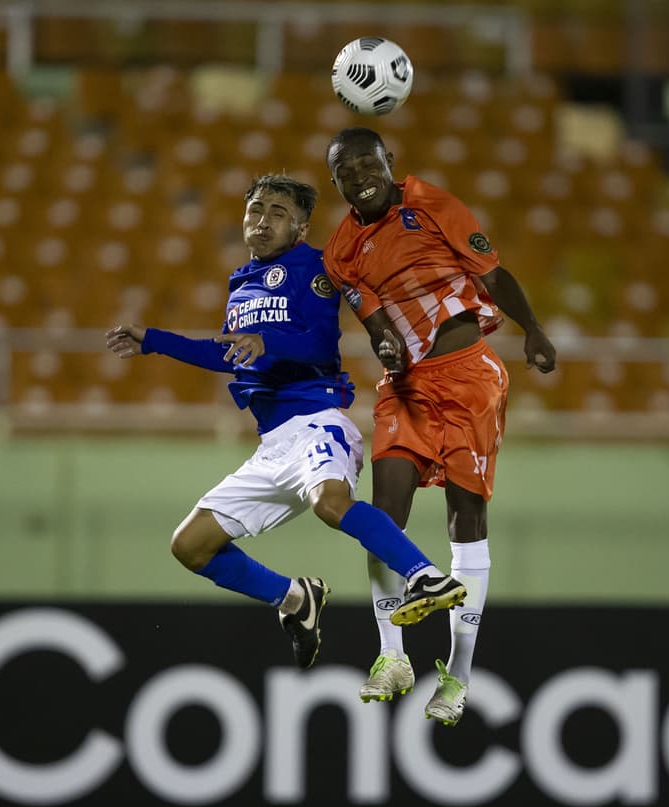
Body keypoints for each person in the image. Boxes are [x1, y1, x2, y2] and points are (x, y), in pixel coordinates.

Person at [106, 173, 456, 671]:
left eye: (277, 212)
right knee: (190, 545)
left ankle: (423, 574)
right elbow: (232, 354)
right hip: (273, 446)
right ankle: (295, 600)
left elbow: (318, 342)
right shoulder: (241, 283)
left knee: (330, 503)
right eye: (255, 210)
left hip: (316, 422)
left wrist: (270, 344)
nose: (263, 220)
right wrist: (154, 340)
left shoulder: (310, 267)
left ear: (300, 226)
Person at [323, 128, 558, 725]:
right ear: (337, 183)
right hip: (406, 387)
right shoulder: (342, 250)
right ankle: (392, 655)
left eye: (367, 163)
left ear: (389, 163)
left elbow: (492, 275)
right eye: (345, 171)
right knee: (381, 515)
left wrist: (530, 327)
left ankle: (457, 677)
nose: (359, 176)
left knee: (466, 522)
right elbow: (372, 319)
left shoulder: (434, 205)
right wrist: (387, 347)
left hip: (470, 377)